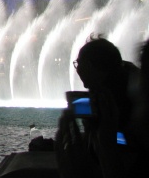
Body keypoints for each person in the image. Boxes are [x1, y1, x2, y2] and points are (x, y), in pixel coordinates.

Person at [55, 35, 143, 178]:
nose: (77, 70)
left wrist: (97, 134)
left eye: (78, 63)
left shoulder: (117, 99)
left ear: (89, 65)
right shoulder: (124, 82)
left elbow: (126, 140)